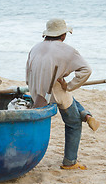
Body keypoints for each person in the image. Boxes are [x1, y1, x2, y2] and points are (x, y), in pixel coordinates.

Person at [26, 18, 100, 170]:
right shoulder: (67, 49)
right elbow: (87, 70)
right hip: (54, 91)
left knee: (69, 99)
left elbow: (28, 74)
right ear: (63, 35)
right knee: (73, 123)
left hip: (36, 92)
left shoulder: (35, 48)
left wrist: (33, 86)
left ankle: (86, 114)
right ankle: (70, 162)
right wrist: (70, 85)